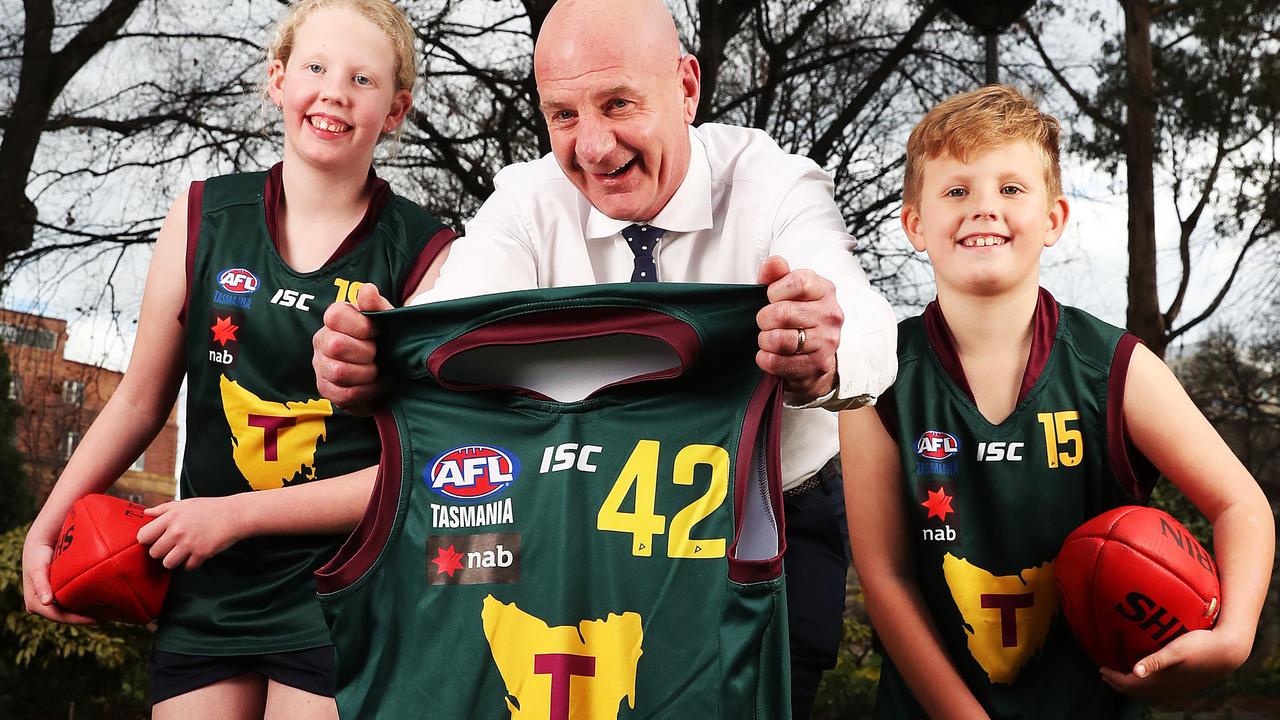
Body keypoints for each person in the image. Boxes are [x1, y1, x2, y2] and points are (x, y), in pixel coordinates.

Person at [311, 0, 897, 715]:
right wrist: (376, 358)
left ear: (687, 86)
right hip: (573, 514)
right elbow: (444, 330)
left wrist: (825, 349)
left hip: (764, 521)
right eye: (562, 115)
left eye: (618, 103)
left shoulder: (775, 186)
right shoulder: (526, 202)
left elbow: (867, 323)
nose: (592, 146)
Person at [21, 1, 453, 718]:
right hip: (207, 577)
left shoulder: (429, 253)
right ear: (278, 79)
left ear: (397, 109)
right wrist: (49, 523)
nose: (335, 91)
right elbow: (138, 401)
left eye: (363, 79)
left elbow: (421, 465)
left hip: (343, 582)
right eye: (315, 67)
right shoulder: (198, 215)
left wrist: (234, 515)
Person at [840, 84, 1274, 719]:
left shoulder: (1116, 368)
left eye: (1010, 189)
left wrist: (1232, 640)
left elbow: (1242, 503)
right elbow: (886, 577)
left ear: (1053, 219)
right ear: (914, 223)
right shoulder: (876, 376)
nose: (983, 208)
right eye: (957, 190)